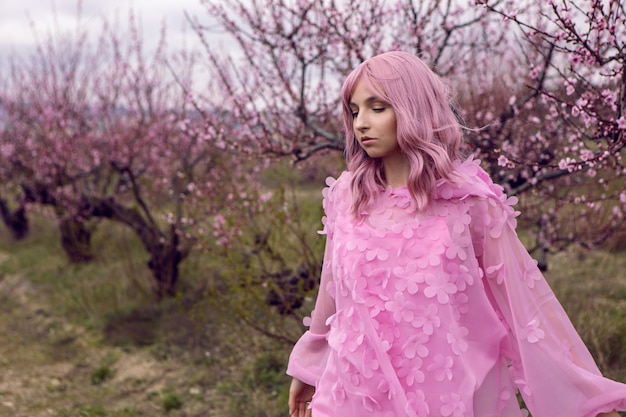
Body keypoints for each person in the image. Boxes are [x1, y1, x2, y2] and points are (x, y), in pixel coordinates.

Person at [286, 51, 626, 417]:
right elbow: (333, 290)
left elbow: (524, 307)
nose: (361, 124)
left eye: (377, 108)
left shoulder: (469, 203)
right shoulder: (348, 196)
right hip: (351, 395)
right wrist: (308, 367)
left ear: (413, 107)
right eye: (354, 111)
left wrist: (585, 399)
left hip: (447, 396)